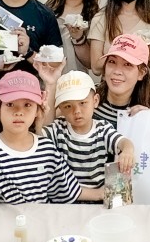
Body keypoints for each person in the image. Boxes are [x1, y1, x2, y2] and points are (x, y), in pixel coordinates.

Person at [0, 71, 99, 218]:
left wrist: (102, 193)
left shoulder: (47, 149)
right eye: (10, 104)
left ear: (38, 109)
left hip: (42, 225)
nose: (19, 112)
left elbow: (67, 192)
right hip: (7, 228)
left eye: (27, 105)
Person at [45, 71, 135, 200]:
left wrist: (127, 151)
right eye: (68, 106)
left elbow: (123, 142)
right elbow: (38, 139)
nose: (76, 111)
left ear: (95, 101)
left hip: (98, 202)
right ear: (60, 108)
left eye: (82, 103)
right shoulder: (58, 128)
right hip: (67, 202)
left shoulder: (103, 129)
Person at [94, 34, 150, 126]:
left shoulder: (145, 105)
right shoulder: (86, 96)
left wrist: (148, 122)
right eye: (112, 62)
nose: (117, 71)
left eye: (127, 64)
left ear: (141, 73)